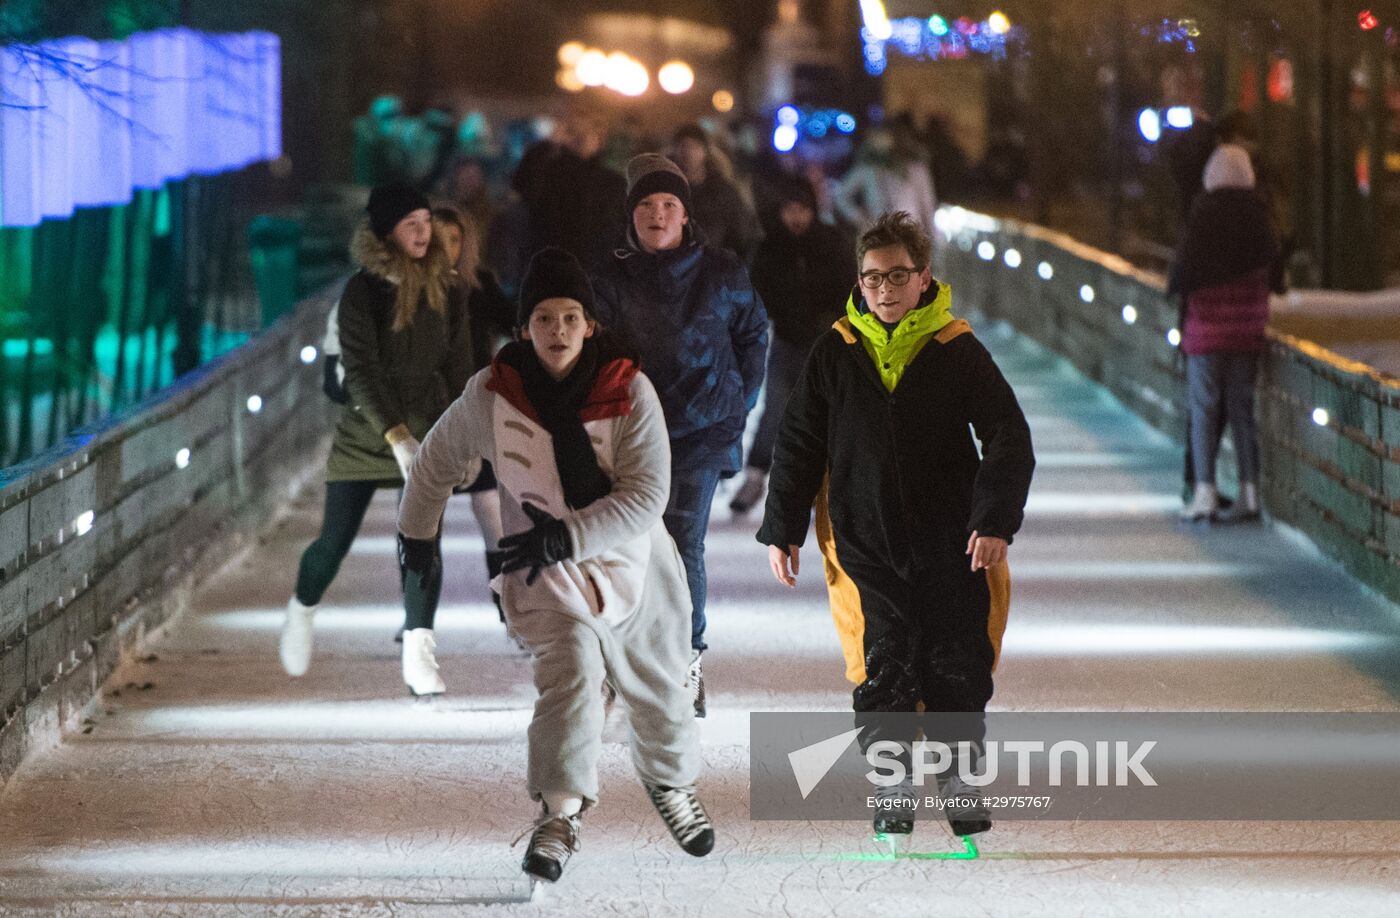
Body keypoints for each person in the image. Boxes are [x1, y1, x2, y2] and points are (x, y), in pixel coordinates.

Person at [397, 248, 715, 884]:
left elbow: (647, 496)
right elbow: (435, 462)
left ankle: (671, 786)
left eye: (571, 317)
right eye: (545, 317)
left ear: (589, 325)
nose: (559, 330)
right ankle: (560, 813)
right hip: (545, 574)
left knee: (660, 686)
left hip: (632, 567)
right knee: (571, 673)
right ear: (525, 328)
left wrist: (567, 537)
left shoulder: (628, 390)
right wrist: (416, 536)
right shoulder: (492, 396)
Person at [756, 211, 1034, 841]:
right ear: (859, 281)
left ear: (923, 277)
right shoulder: (837, 350)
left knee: (955, 662)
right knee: (883, 664)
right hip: (864, 541)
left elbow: (1008, 437)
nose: (884, 289)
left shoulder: (955, 349)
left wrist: (993, 519)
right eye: (872, 277)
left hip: (952, 543)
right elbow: (798, 440)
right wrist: (784, 527)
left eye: (898, 275)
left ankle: (959, 779)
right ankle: (893, 781)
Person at [591, 154, 769, 717]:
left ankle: (687, 662)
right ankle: (624, 661)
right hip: (630, 431)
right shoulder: (609, 278)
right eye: (646, 205)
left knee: (682, 542)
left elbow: (753, 336)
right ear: (631, 216)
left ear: (686, 215)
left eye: (669, 205)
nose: (658, 215)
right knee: (628, 544)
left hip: (702, 430)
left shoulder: (721, 272)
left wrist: (735, 406)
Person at [279, 183, 470, 696]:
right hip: (368, 432)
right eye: (411, 224)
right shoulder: (361, 293)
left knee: (421, 541)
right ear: (386, 232)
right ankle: (303, 606)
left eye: (426, 222)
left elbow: (461, 366)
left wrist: (464, 432)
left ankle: (419, 651)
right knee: (333, 542)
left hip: (428, 430)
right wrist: (395, 434)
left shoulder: (447, 289)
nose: (423, 232)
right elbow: (358, 370)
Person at [729, 175, 853, 514]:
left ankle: (824, 485)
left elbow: (850, 290)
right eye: (790, 209)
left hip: (827, 342)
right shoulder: (769, 247)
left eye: (803, 209)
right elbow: (756, 292)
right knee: (775, 410)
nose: (796, 217)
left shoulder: (831, 242)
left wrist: (834, 320)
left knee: (824, 413)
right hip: (786, 340)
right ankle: (755, 477)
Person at [1170, 144, 1280, 523]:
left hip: (1208, 331)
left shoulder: (1203, 213)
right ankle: (1250, 494)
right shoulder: (1259, 215)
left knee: (1204, 409)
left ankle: (1205, 491)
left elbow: (1181, 274)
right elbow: (1276, 274)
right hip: (1247, 330)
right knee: (1242, 410)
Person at [670, 122, 763, 261]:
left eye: (694, 146)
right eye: (683, 146)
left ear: (705, 151)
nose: (688, 152)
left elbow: (744, 234)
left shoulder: (722, 190)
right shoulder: (665, 190)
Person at [831, 124, 938, 240]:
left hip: (910, 233)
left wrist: (934, 236)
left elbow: (927, 204)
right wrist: (859, 218)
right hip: (879, 233)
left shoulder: (915, 169)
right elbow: (841, 196)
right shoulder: (868, 168)